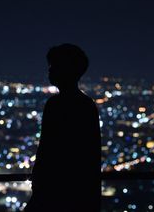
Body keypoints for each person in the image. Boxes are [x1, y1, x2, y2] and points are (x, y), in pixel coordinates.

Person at [25, 44, 101, 212]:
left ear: (67, 70)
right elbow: (92, 154)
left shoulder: (55, 104)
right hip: (77, 191)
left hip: (54, 189)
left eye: (54, 66)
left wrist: (39, 180)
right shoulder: (86, 105)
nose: (50, 71)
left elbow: (47, 147)